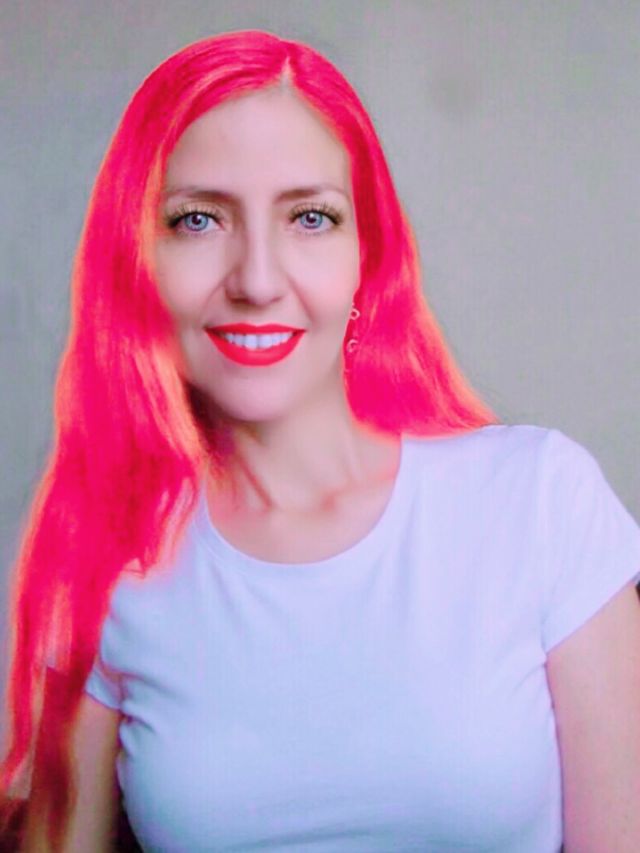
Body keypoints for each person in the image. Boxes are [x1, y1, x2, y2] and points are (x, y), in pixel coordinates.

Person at [2, 29, 640, 853]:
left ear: (366, 257)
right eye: (198, 219)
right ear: (137, 262)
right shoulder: (108, 569)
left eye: (310, 217)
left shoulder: (541, 500)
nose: (257, 279)